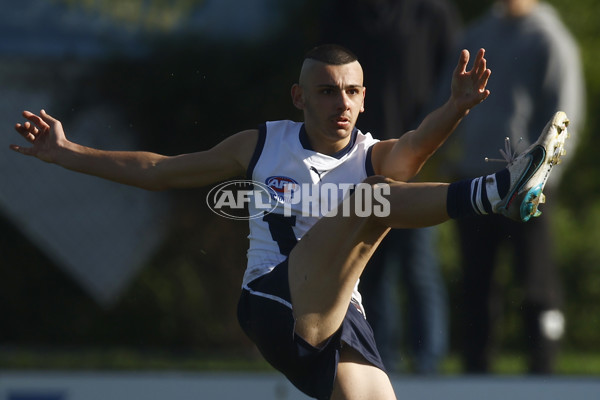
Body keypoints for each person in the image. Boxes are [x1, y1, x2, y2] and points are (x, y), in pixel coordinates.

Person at [11, 44, 569, 399]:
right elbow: (160, 171)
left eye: (351, 91)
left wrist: (458, 106)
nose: (341, 103)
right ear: (300, 96)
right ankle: (498, 192)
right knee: (369, 200)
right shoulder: (261, 144)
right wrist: (67, 152)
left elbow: (417, 147)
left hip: (339, 322)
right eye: (327, 91)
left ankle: (499, 192)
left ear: (364, 98)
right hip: (273, 304)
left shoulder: (372, 153)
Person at [436, 0, 585, 374]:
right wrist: (449, 157)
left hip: (529, 185)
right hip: (476, 180)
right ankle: (476, 373)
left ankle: (543, 370)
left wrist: (542, 178)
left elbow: (566, 115)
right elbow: (447, 100)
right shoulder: (474, 35)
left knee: (537, 285)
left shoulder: (549, 38)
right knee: (476, 285)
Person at [316, 0, 460, 373]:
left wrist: (434, 140)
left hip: (415, 158)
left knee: (418, 266)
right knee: (366, 266)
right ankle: (380, 362)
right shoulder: (339, 13)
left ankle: (428, 365)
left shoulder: (432, 11)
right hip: (357, 162)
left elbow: (451, 80)